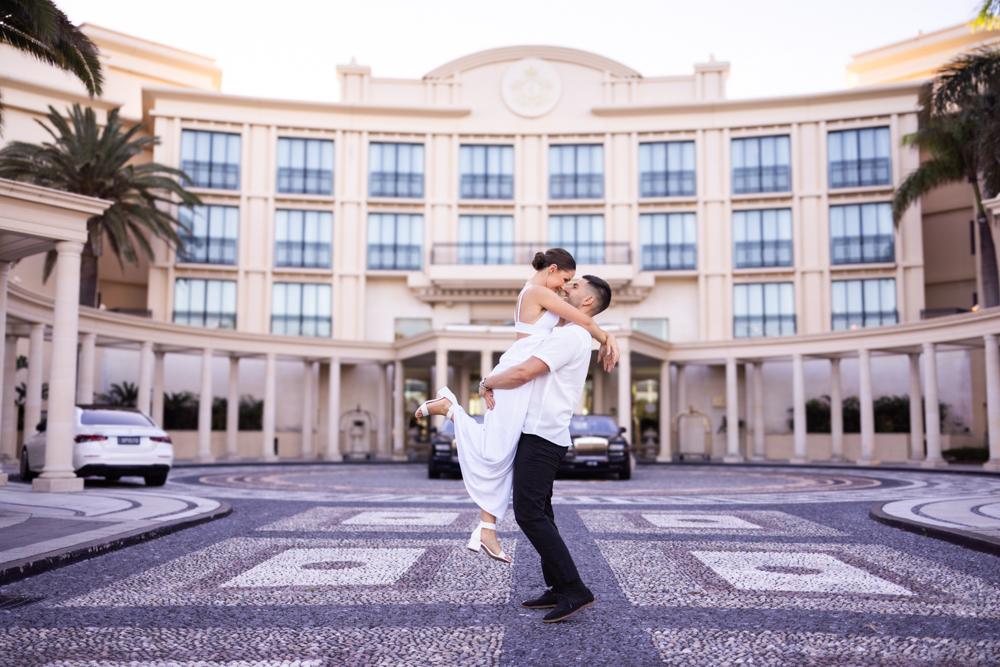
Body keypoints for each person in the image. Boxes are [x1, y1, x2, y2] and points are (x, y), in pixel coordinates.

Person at [414, 250, 618, 563]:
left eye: (571, 284)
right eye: (565, 280)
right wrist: (607, 337)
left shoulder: (548, 295)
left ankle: (486, 529)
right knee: (496, 450)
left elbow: (579, 320)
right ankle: (450, 408)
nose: (565, 287)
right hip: (515, 371)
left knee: (503, 451)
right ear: (552, 270)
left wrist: (604, 336)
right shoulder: (537, 292)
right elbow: (582, 318)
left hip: (523, 380)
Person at [478, 275, 612, 622]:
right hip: (540, 435)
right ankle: (557, 587)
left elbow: (524, 372)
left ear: (587, 303)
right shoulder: (565, 331)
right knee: (542, 513)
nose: (567, 287)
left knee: (529, 513)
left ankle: (574, 588)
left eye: (576, 286)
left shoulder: (570, 336)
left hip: (542, 436)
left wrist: (487, 382)